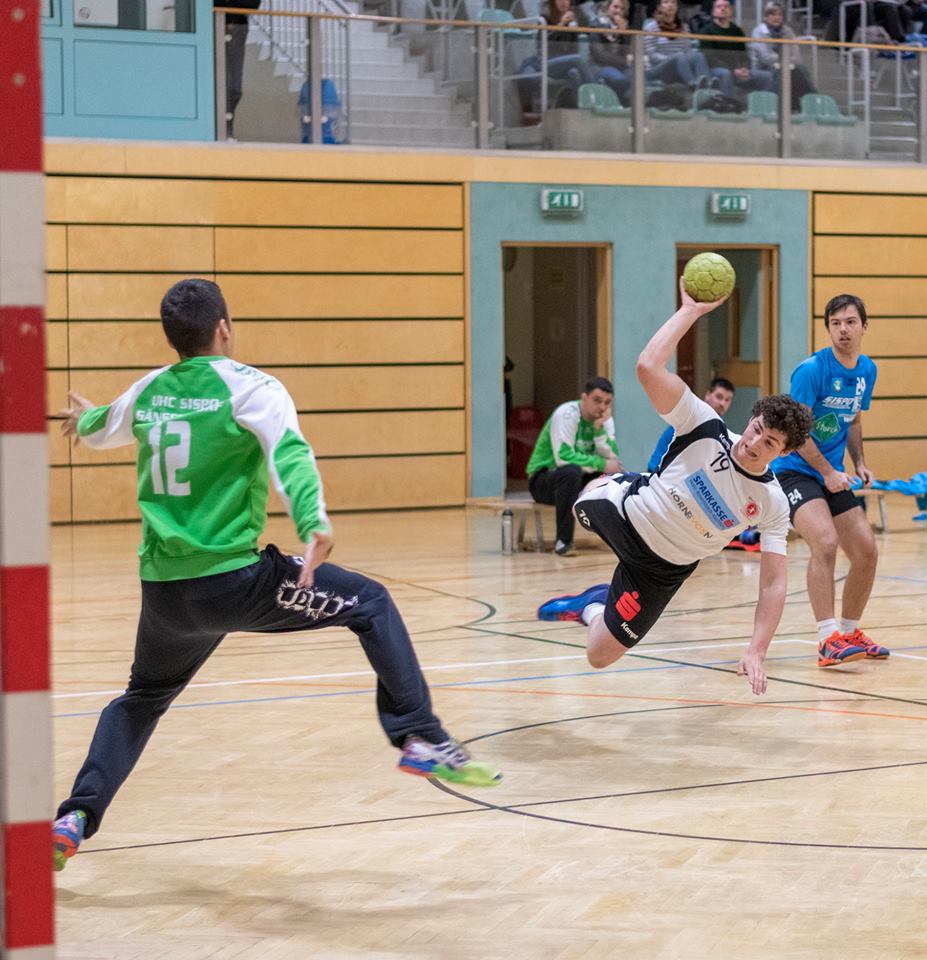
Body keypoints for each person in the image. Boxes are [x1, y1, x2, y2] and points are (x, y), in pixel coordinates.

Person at [51, 279, 501, 872]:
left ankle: (74, 818)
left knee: (141, 699)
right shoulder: (252, 386)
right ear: (224, 327)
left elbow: (103, 425)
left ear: (172, 338)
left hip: (164, 592)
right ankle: (420, 735)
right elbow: (289, 454)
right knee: (370, 603)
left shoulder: (150, 390)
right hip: (234, 582)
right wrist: (314, 522)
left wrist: (83, 421)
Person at [537, 281, 812, 696]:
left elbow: (774, 583)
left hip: (661, 570)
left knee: (599, 655)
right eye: (756, 429)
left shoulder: (771, 502)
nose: (754, 443)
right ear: (751, 418)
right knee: (582, 500)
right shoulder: (704, 424)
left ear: (785, 452)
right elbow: (648, 366)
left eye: (769, 443)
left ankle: (591, 604)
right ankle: (619, 485)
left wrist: (757, 651)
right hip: (630, 514)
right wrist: (690, 312)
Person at [771, 294, 888, 668]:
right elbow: (796, 432)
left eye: (850, 322)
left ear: (864, 327)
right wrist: (826, 472)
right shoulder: (811, 371)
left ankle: (850, 632)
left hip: (832, 474)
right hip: (795, 471)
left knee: (866, 551)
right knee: (824, 541)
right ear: (828, 329)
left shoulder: (867, 370)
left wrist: (860, 463)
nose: (843, 330)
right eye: (835, 323)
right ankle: (827, 640)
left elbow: (854, 419)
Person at [526, 377, 622, 557]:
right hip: (544, 480)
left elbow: (612, 457)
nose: (602, 407)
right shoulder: (567, 414)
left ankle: (618, 540)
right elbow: (563, 457)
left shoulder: (605, 420)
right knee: (570, 473)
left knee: (614, 478)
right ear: (584, 398)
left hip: (578, 478)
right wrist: (601, 463)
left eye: (607, 402)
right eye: (597, 400)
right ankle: (563, 542)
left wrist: (599, 430)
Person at [517, 0, 596, 114]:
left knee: (574, 73)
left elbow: (589, 31)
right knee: (578, 59)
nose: (563, 2)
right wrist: (561, 25)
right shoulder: (545, 17)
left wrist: (577, 22)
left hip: (564, 63)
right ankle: (597, 96)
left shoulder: (573, 17)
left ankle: (583, 109)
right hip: (546, 61)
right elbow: (542, 43)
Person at [647, 376, 735, 471]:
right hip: (661, 472)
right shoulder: (690, 415)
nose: (722, 403)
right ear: (708, 394)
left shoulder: (722, 430)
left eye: (727, 400)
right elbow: (658, 457)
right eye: (719, 397)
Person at [699, 0, 774, 99]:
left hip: (738, 70)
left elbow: (744, 55)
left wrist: (745, 68)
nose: (723, 9)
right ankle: (728, 105)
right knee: (725, 73)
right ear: (713, 12)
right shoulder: (706, 31)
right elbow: (709, 58)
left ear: (731, 11)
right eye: (719, 7)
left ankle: (762, 105)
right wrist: (733, 70)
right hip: (715, 70)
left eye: (726, 6)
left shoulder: (737, 31)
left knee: (767, 76)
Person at [749, 1, 817, 110]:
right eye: (772, 14)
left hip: (786, 66)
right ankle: (793, 108)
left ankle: (811, 105)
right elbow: (765, 58)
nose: (776, 17)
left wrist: (785, 62)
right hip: (764, 68)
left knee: (801, 70)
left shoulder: (788, 31)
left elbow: (797, 58)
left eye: (779, 14)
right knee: (787, 73)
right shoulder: (758, 32)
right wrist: (784, 59)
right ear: (765, 17)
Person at [214, 0, 262, 139]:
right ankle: (220, 131)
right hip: (213, 27)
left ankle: (226, 129)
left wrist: (228, 2)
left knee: (234, 89)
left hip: (237, 29)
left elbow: (253, 4)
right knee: (219, 86)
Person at [642, 0, 713, 88]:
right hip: (657, 67)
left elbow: (687, 50)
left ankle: (708, 87)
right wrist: (672, 58)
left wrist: (681, 59)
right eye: (666, 2)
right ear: (659, 7)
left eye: (673, 2)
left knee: (698, 56)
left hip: (682, 63)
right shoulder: (651, 27)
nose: (670, 5)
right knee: (679, 56)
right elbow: (650, 54)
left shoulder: (684, 27)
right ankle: (693, 84)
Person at [589, 0, 633, 103]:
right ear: (607, 8)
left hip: (620, 65)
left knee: (639, 78)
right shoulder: (596, 24)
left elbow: (627, 52)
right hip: (601, 65)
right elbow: (600, 55)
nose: (618, 11)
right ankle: (618, 103)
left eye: (622, 9)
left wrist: (624, 33)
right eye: (615, 7)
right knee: (620, 80)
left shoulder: (623, 26)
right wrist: (624, 61)